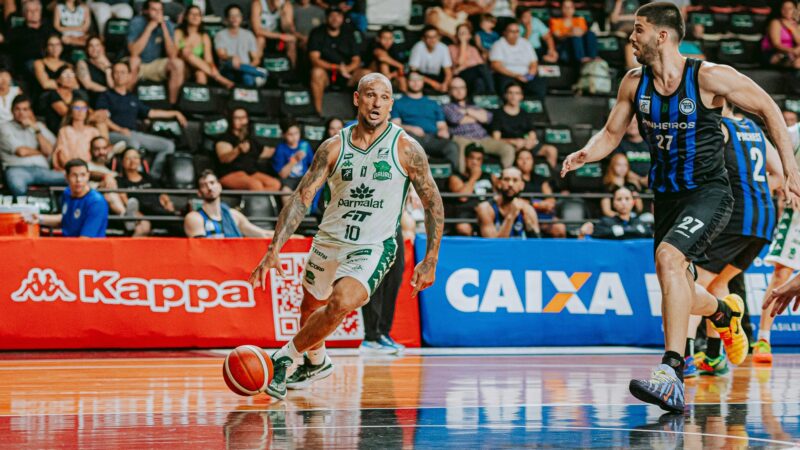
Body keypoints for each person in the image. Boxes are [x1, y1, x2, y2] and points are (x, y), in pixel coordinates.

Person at [561, 2, 800, 414]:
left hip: (709, 192)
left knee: (669, 259)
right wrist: (587, 152)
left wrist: (792, 170)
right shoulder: (633, 83)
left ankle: (672, 371)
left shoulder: (708, 76)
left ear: (662, 35)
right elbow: (612, 132)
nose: (630, 38)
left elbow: (769, 110)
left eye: (637, 30)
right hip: (667, 197)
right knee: (681, 284)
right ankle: (724, 312)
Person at [248, 73, 444, 400]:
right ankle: (316, 360)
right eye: (370, 95)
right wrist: (274, 248)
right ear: (357, 99)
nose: (376, 103)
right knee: (311, 307)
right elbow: (300, 198)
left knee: (342, 301)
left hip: (374, 245)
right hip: (329, 240)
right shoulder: (333, 146)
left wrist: (432, 257)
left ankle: (284, 356)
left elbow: (432, 201)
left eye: (383, 97)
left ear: (391, 103)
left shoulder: (407, 148)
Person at [683, 102, 782, 377]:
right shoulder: (755, 130)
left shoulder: (719, 128)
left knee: (692, 284)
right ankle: (713, 357)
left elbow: (700, 174)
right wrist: (756, 187)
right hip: (763, 219)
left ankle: (685, 357)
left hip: (735, 216)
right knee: (719, 282)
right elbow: (779, 174)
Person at [754, 108, 800, 366]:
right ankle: (763, 337)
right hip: (797, 214)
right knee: (782, 274)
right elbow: (772, 162)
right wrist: (786, 184)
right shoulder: (794, 134)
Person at [96, 61, 186, 179]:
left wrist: (175, 113)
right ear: (112, 76)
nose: (119, 75)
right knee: (133, 143)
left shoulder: (132, 97)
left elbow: (151, 113)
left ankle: (153, 177)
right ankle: (138, 178)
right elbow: (101, 117)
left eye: (123, 72)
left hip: (134, 134)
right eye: (116, 72)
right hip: (114, 135)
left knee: (168, 145)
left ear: (129, 76)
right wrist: (119, 129)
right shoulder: (106, 96)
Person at [390, 71, 460, 171]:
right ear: (407, 81)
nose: (415, 83)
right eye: (412, 80)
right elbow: (395, 124)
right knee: (411, 142)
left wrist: (443, 130)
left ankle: (452, 177)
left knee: (452, 146)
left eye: (418, 80)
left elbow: (441, 125)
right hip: (411, 138)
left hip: (433, 138)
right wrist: (410, 128)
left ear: (423, 82)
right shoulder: (398, 103)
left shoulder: (433, 103)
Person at [444, 77, 514, 170]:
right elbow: (455, 119)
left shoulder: (474, 106)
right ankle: (463, 178)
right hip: (463, 139)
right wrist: (477, 117)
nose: (459, 91)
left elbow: (488, 118)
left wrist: (466, 111)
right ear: (449, 91)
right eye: (455, 88)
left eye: (462, 88)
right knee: (459, 150)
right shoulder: (447, 107)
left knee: (507, 149)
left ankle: (503, 177)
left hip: (483, 138)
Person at [0, 95, 65, 196]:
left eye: (25, 109)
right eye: (17, 109)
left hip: (43, 170)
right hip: (17, 169)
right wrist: (40, 152)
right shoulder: (4, 127)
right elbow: (21, 152)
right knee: (17, 185)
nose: (21, 112)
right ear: (12, 111)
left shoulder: (38, 126)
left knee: (71, 179)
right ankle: (25, 211)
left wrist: (36, 130)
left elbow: (49, 151)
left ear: (30, 111)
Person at [308, 6, 368, 115]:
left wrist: (346, 69)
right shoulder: (317, 33)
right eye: (332, 16)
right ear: (326, 18)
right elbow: (314, 59)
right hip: (327, 74)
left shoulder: (349, 33)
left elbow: (356, 60)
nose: (335, 19)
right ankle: (317, 113)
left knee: (366, 74)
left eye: (338, 16)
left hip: (347, 75)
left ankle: (363, 114)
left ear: (342, 18)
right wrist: (336, 68)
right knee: (316, 72)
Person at [185, 170, 275, 238]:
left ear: (219, 186)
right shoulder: (194, 218)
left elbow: (263, 234)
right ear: (199, 192)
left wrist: (286, 235)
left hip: (234, 260)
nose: (210, 187)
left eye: (212, 183)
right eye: (204, 185)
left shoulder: (233, 215)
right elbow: (200, 250)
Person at [359, 225, 406, 354]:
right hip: (373, 224)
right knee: (376, 278)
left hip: (393, 225)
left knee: (395, 276)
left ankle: (384, 333)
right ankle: (371, 336)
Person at [127, 0, 184, 104]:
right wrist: (149, 28)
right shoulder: (136, 22)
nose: (157, 13)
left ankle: (173, 105)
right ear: (145, 11)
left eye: (160, 10)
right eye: (154, 9)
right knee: (134, 60)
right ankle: (127, 102)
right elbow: (134, 52)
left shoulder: (168, 25)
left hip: (155, 64)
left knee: (177, 64)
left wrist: (163, 27)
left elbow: (172, 55)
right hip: (139, 64)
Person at [490, 82, 557, 169]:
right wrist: (513, 141)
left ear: (521, 96)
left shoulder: (524, 113)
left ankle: (550, 180)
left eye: (517, 93)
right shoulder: (498, 114)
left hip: (524, 144)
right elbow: (496, 139)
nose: (514, 96)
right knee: (517, 154)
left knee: (551, 150)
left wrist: (529, 142)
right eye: (510, 93)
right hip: (509, 146)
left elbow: (532, 134)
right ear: (505, 95)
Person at [214, 107, 282, 191]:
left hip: (251, 173)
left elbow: (268, 152)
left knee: (275, 184)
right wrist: (238, 150)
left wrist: (288, 147)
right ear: (231, 120)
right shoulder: (224, 139)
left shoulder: (251, 140)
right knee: (255, 184)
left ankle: (260, 201)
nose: (241, 121)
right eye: (237, 118)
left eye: (243, 118)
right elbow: (224, 159)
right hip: (229, 174)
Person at [37, 159, 109, 237]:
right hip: (70, 245)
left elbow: (85, 240)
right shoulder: (67, 193)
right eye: (74, 175)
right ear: (66, 177)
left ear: (88, 176)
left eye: (83, 175)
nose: (78, 180)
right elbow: (65, 219)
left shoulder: (96, 202)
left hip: (89, 247)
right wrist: (38, 218)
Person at [117, 147, 179, 236]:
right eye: (128, 158)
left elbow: (161, 193)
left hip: (158, 211)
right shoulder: (120, 180)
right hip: (143, 213)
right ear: (122, 162)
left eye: (135, 157)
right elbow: (124, 198)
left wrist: (167, 202)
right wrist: (137, 215)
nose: (132, 161)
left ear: (139, 160)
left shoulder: (147, 177)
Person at [176, 5, 235, 88]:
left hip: (198, 68)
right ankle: (219, 78)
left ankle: (199, 100)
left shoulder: (204, 36)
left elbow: (208, 60)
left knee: (201, 75)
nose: (195, 17)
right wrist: (183, 53)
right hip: (182, 68)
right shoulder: (179, 32)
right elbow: (173, 54)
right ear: (186, 17)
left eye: (198, 14)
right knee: (187, 53)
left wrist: (213, 68)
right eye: (192, 14)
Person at [476, 166, 540, 238]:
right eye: (506, 179)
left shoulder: (528, 209)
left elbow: (537, 245)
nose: (510, 184)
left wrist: (529, 224)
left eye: (515, 180)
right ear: (499, 183)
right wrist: (511, 216)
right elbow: (494, 246)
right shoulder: (485, 209)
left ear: (522, 185)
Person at [489, 20, 546, 100]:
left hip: (526, 74)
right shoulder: (498, 45)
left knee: (539, 85)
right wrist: (516, 75)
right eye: (512, 31)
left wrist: (529, 75)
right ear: (505, 32)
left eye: (517, 31)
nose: (515, 34)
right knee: (504, 84)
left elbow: (533, 63)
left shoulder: (526, 43)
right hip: (507, 75)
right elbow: (496, 65)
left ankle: (531, 108)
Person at [515, 148, 565, 238]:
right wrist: (537, 204)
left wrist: (546, 205)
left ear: (533, 161)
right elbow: (514, 200)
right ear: (516, 161)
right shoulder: (514, 179)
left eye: (528, 159)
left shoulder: (541, 180)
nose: (524, 162)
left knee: (560, 228)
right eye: (521, 158)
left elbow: (551, 201)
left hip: (542, 215)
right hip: (522, 215)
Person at [214, 5, 268, 88]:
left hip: (245, 69)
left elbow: (256, 59)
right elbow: (221, 55)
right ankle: (260, 73)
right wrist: (232, 57)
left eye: (237, 15)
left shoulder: (248, 35)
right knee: (232, 62)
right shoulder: (220, 35)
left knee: (247, 77)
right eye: (231, 16)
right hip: (228, 70)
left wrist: (249, 66)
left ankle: (251, 74)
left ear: (241, 18)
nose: (235, 18)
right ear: (227, 19)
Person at [448, 143, 495, 236]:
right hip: (466, 213)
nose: (475, 162)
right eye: (471, 158)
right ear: (465, 159)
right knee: (463, 227)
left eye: (478, 159)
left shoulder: (490, 176)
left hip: (488, 211)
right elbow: (463, 197)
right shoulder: (456, 177)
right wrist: (474, 177)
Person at [579, 186, 652, 239]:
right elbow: (586, 242)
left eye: (627, 199)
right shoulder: (605, 223)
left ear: (633, 202)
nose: (623, 203)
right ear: (613, 203)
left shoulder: (641, 223)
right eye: (619, 199)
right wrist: (582, 233)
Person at [53, 98, 105, 171]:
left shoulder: (93, 131)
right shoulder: (65, 131)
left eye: (84, 108)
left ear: (87, 112)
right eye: (76, 108)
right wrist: (72, 168)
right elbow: (61, 154)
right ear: (71, 112)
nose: (80, 111)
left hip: (91, 167)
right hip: (71, 168)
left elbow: (99, 152)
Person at [7, 0, 54, 78]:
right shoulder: (17, 31)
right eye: (29, 11)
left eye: (36, 10)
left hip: (51, 61)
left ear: (40, 12)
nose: (33, 13)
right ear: (24, 14)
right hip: (30, 63)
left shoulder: (49, 28)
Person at [42, 66, 90, 134]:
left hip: (78, 124)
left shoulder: (77, 95)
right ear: (58, 79)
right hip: (60, 128)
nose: (69, 77)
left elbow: (87, 110)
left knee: (101, 121)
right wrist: (91, 117)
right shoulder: (53, 95)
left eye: (71, 74)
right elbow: (67, 114)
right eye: (65, 75)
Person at [448, 23, 494, 95]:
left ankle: (478, 100)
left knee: (479, 81)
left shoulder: (473, 49)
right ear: (457, 35)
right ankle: (492, 92)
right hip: (460, 76)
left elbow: (481, 65)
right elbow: (460, 63)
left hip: (472, 76)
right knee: (480, 68)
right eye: (461, 33)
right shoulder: (451, 48)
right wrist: (463, 43)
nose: (462, 35)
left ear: (469, 36)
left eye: (465, 33)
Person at [549, 0, 599, 65]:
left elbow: (583, 32)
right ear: (561, 8)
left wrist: (575, 32)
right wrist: (570, 33)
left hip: (581, 44)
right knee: (575, 37)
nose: (568, 9)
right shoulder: (554, 21)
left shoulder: (580, 20)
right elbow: (558, 37)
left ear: (574, 9)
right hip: (565, 47)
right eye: (565, 7)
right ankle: (581, 59)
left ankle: (593, 57)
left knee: (590, 34)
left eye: (570, 7)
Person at [251, 0, 297, 68]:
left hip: (279, 39)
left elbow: (287, 29)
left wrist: (281, 11)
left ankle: (292, 69)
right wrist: (280, 36)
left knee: (291, 41)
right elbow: (257, 31)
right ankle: (255, 69)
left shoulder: (286, 5)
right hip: (264, 35)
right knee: (260, 39)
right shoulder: (258, 3)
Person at [272, 119, 314, 190]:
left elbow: (313, 165)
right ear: (284, 135)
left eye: (296, 133)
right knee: (285, 191)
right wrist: (294, 160)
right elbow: (282, 175)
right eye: (290, 134)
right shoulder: (281, 149)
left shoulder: (305, 145)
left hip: (304, 178)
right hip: (288, 180)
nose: (294, 137)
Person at [600, 153, 643, 217]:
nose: (622, 168)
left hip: (632, 218)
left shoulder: (631, 186)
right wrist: (622, 217)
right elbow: (607, 211)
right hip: (614, 219)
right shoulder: (607, 186)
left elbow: (639, 208)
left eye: (625, 165)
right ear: (613, 166)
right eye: (619, 165)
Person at [366, 28, 407, 93]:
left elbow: (401, 70)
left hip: (389, 76)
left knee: (402, 79)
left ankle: (404, 100)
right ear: (378, 39)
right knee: (384, 63)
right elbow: (381, 57)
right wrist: (400, 65)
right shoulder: (374, 45)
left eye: (390, 38)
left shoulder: (394, 48)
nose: (388, 41)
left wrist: (391, 75)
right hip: (373, 74)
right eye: (384, 38)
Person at [761, 1, 800, 69]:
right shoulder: (775, 22)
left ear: (795, 10)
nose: (787, 11)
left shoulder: (795, 24)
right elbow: (776, 44)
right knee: (797, 63)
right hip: (775, 52)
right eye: (784, 8)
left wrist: (791, 28)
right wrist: (792, 50)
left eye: (790, 8)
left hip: (792, 53)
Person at [76, 36, 114, 104]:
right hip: (95, 97)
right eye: (91, 46)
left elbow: (112, 86)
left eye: (97, 45)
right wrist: (110, 92)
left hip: (111, 98)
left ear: (103, 48)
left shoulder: (111, 63)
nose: (94, 48)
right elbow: (88, 85)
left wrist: (108, 68)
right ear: (87, 49)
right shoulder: (82, 63)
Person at [613, 116, 650, 183]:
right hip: (628, 185)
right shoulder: (618, 144)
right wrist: (640, 180)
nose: (632, 126)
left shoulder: (653, 143)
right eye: (629, 123)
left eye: (635, 123)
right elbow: (616, 167)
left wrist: (651, 178)